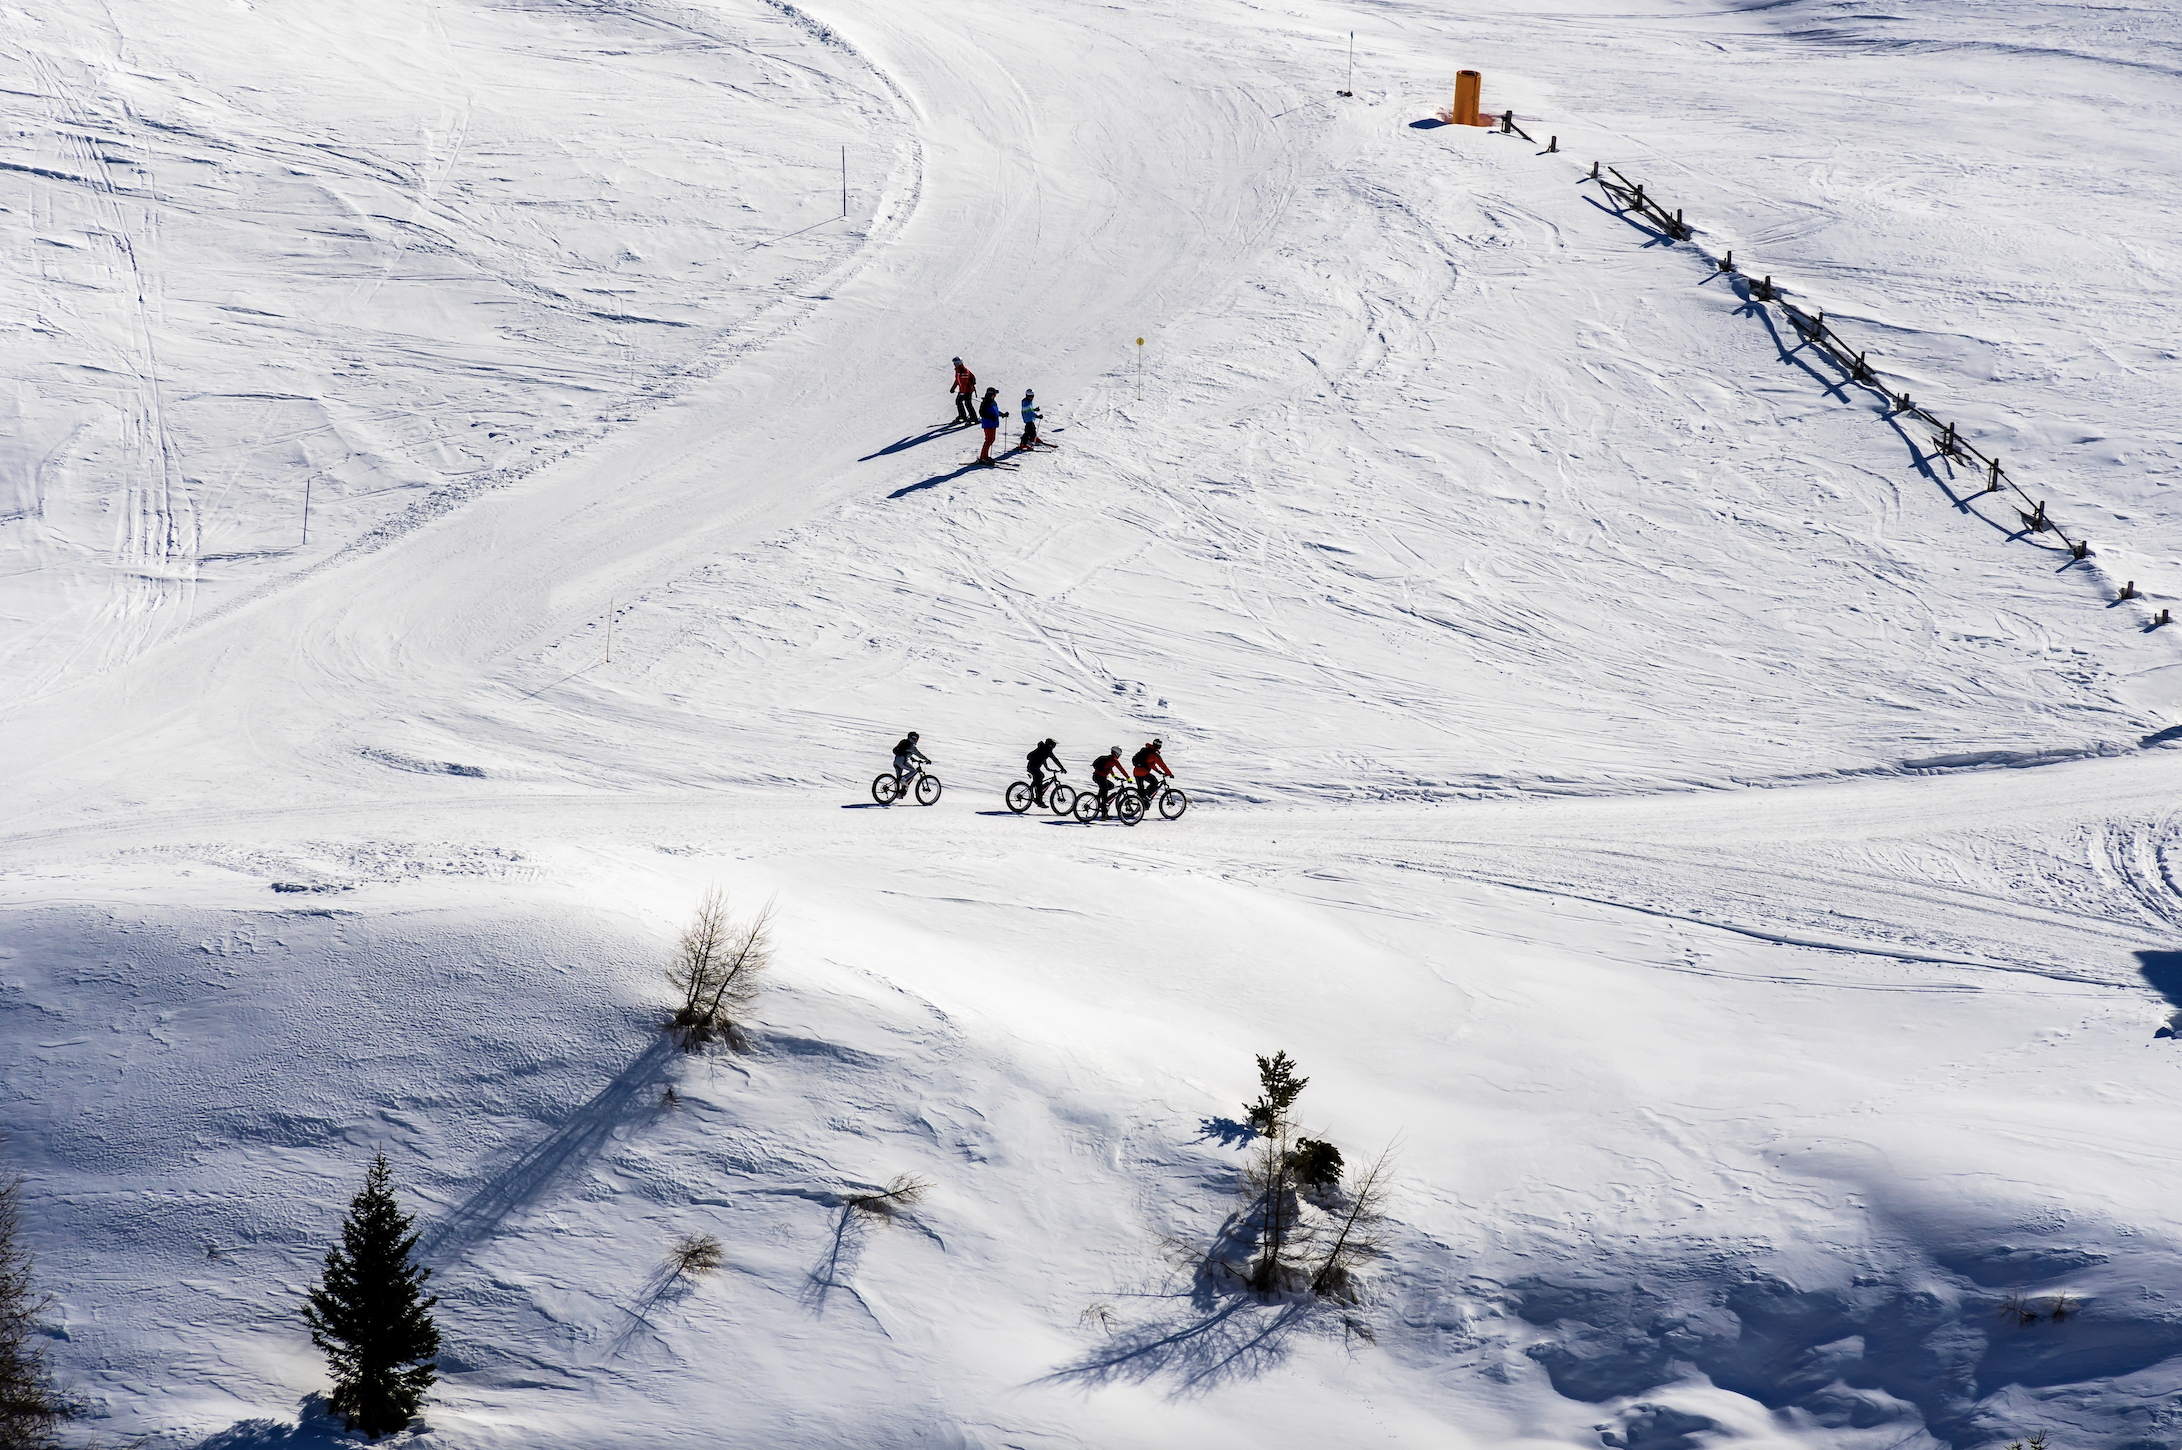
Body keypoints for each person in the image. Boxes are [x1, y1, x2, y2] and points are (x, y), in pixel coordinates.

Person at [1091, 744, 1127, 818]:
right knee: (1105, 791)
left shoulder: (1109, 759)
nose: (1119, 756)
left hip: (1097, 777)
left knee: (1110, 786)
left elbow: (1109, 768)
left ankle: (1099, 798)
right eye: (1119, 755)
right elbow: (1121, 768)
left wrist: (1114, 776)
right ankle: (1104, 814)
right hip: (1100, 777)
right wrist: (1128, 777)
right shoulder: (1114, 760)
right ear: (1116, 753)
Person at [1026, 737, 1064, 803]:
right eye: (1053, 746)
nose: (1053, 748)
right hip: (1033, 767)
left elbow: (1043, 760)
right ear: (1050, 745)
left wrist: (1047, 768)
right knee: (1039, 777)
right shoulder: (1046, 750)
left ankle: (1034, 789)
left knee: (1040, 777)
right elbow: (1055, 759)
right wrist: (1062, 768)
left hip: (1033, 767)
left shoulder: (1044, 750)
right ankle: (1038, 800)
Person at [976, 387, 1005, 464]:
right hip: (988, 424)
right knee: (989, 439)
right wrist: (990, 417)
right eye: (995, 394)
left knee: (991, 439)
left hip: (993, 423)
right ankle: (983, 457)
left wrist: (1002, 414)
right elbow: (982, 413)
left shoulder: (992, 402)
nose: (995, 395)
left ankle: (985, 456)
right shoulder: (985, 402)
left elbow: (995, 411)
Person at [951, 358, 977, 424]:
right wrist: (953, 388)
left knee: (968, 403)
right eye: (954, 363)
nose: (955, 365)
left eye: (957, 363)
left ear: (960, 363)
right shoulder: (957, 371)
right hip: (962, 390)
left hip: (968, 390)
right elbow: (957, 380)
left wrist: (962, 393)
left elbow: (964, 383)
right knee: (958, 401)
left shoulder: (964, 371)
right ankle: (962, 416)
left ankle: (973, 417)